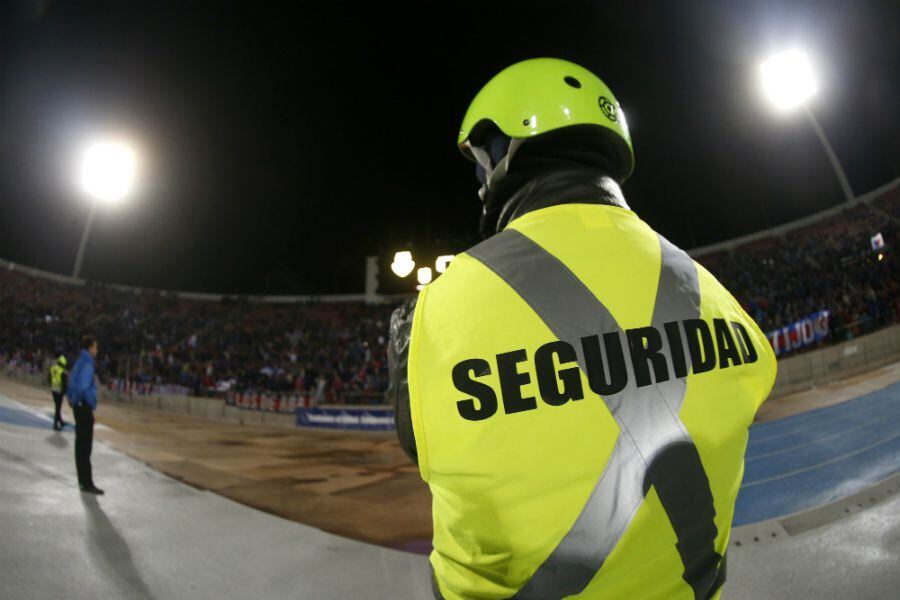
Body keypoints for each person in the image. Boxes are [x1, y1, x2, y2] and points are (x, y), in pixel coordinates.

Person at [387, 58, 777, 599]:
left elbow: (418, 443)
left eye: (480, 162)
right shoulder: (714, 291)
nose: (479, 184)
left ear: (507, 149)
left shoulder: (436, 310)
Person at [68, 336, 103, 495]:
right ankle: (87, 483)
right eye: (95, 347)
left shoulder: (78, 361)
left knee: (79, 446)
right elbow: (82, 387)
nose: (97, 350)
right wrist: (76, 399)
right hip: (84, 407)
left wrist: (71, 399)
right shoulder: (88, 363)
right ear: (90, 348)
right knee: (85, 447)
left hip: (78, 407)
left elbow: (71, 382)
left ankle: (82, 481)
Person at [48, 355, 68, 431]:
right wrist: (64, 392)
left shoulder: (52, 368)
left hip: (53, 388)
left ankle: (61, 421)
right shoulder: (62, 372)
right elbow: (64, 384)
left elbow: (49, 377)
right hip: (59, 390)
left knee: (57, 406)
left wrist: (51, 385)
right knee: (58, 408)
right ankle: (55, 424)